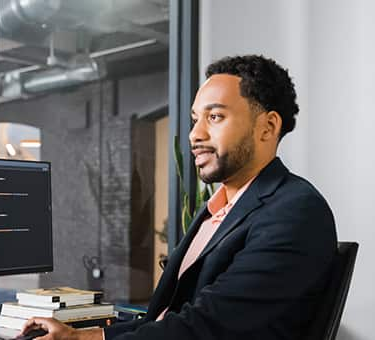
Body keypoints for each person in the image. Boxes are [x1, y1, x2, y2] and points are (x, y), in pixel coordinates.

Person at [21, 54, 337, 339]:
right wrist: (79, 337)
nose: (194, 134)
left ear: (268, 127)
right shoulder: (217, 210)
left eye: (215, 117)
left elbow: (205, 328)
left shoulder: (295, 210)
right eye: (195, 119)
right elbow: (166, 317)